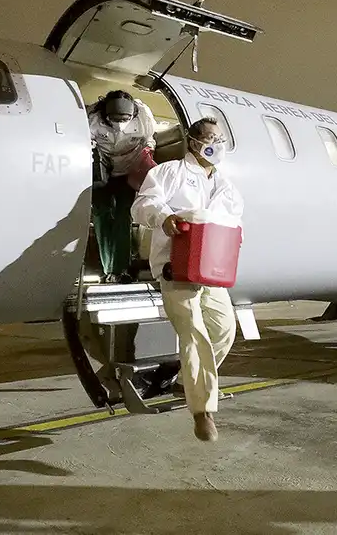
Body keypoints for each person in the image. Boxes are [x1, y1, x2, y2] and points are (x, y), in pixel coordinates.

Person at [130, 117, 244, 442]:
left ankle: (185, 382)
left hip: (212, 270)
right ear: (193, 141)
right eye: (210, 138)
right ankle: (202, 411)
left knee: (224, 330)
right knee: (193, 332)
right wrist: (164, 218)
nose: (216, 145)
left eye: (220, 139)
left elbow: (235, 223)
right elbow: (142, 205)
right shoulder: (169, 173)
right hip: (175, 267)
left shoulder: (227, 186)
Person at [88, 90, 157, 284]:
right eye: (114, 120)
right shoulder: (92, 118)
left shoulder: (143, 116)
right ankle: (107, 268)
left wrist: (147, 154)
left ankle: (120, 268)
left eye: (124, 119)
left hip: (129, 170)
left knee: (123, 215)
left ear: (133, 114)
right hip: (102, 168)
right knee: (101, 215)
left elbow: (150, 139)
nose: (119, 124)